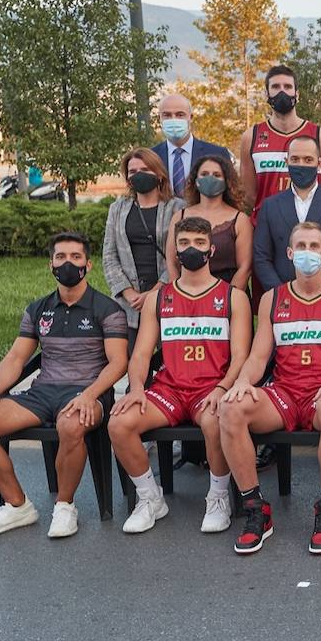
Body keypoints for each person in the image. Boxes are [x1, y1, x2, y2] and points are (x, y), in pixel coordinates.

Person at [218, 222, 321, 555]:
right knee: (230, 409)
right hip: (285, 393)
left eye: (314, 246)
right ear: (289, 254)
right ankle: (256, 509)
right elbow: (259, 357)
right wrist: (243, 382)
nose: (307, 253)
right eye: (300, 246)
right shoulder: (273, 298)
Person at [0, 232, 128, 539]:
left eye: (75, 257)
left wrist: (90, 395)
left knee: (70, 426)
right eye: (61, 257)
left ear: (88, 265)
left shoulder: (107, 309)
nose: (68, 263)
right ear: (50, 264)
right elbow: (16, 357)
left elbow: (118, 363)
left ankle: (65, 507)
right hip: (43, 392)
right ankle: (17, 506)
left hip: (88, 392)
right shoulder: (38, 309)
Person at [109, 217, 253, 534]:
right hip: (170, 389)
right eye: (184, 243)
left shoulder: (233, 297)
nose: (191, 249)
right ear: (174, 250)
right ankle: (150, 499)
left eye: (199, 244)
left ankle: (217, 498)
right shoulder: (159, 298)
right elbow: (142, 353)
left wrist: (223, 387)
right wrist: (135, 389)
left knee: (217, 421)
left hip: (209, 388)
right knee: (119, 424)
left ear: (211, 250)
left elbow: (242, 355)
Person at [252, 135, 321, 291]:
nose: (301, 164)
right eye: (295, 159)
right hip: (282, 299)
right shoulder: (270, 206)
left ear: (319, 163)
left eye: (308, 160)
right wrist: (281, 292)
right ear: (286, 162)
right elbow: (261, 257)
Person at [239, 64, 321, 220]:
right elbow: (249, 196)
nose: (282, 91)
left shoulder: (320, 137)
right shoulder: (251, 137)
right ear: (266, 94)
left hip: (310, 230)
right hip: (266, 228)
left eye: (288, 86)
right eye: (276, 86)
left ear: (297, 94)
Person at [103, 149, 181, 335]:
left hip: (168, 297)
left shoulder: (178, 208)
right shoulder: (117, 208)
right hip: (128, 304)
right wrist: (128, 293)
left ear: (159, 174)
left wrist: (155, 292)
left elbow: (180, 255)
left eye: (145, 169)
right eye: (133, 172)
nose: (139, 175)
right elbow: (109, 255)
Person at [164, 154, 252, 290]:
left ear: (227, 181)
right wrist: (178, 293)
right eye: (204, 174)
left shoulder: (240, 220)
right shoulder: (179, 216)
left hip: (228, 295)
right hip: (186, 293)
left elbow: (245, 267)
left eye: (217, 175)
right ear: (195, 180)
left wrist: (229, 300)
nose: (210, 178)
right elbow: (171, 261)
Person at [151, 92, 232, 199]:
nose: (174, 119)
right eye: (167, 115)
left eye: (180, 115)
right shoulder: (152, 156)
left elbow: (230, 193)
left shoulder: (216, 153)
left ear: (191, 117)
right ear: (159, 118)